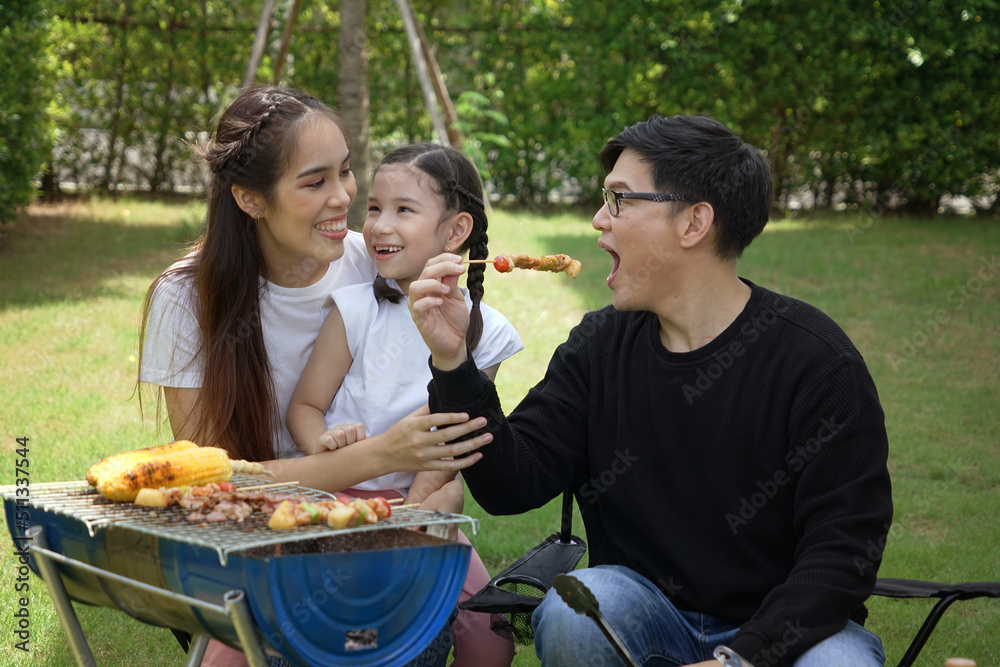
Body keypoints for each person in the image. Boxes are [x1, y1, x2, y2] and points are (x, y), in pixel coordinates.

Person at [407, 114, 894, 667]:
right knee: (574, 615)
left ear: (693, 223)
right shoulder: (599, 349)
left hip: (787, 629)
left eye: (619, 200)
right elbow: (510, 485)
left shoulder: (815, 361)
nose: (597, 220)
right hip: (645, 613)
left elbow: (845, 551)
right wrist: (453, 361)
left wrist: (742, 658)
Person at [138, 86, 490, 667]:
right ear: (251, 200)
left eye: (347, 172)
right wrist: (376, 456)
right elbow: (213, 488)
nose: (345, 198)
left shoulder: (373, 259)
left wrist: (431, 484)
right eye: (315, 181)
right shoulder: (188, 298)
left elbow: (446, 372)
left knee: (476, 624)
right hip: (257, 532)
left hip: (385, 517)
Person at [287, 142, 522, 665]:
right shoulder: (355, 310)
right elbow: (304, 405)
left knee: (492, 631)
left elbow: (453, 432)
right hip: (339, 496)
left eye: (403, 210)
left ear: (457, 232)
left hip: (424, 503)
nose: (378, 225)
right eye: (374, 208)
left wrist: (418, 511)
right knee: (353, 627)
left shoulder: (484, 333)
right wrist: (323, 445)